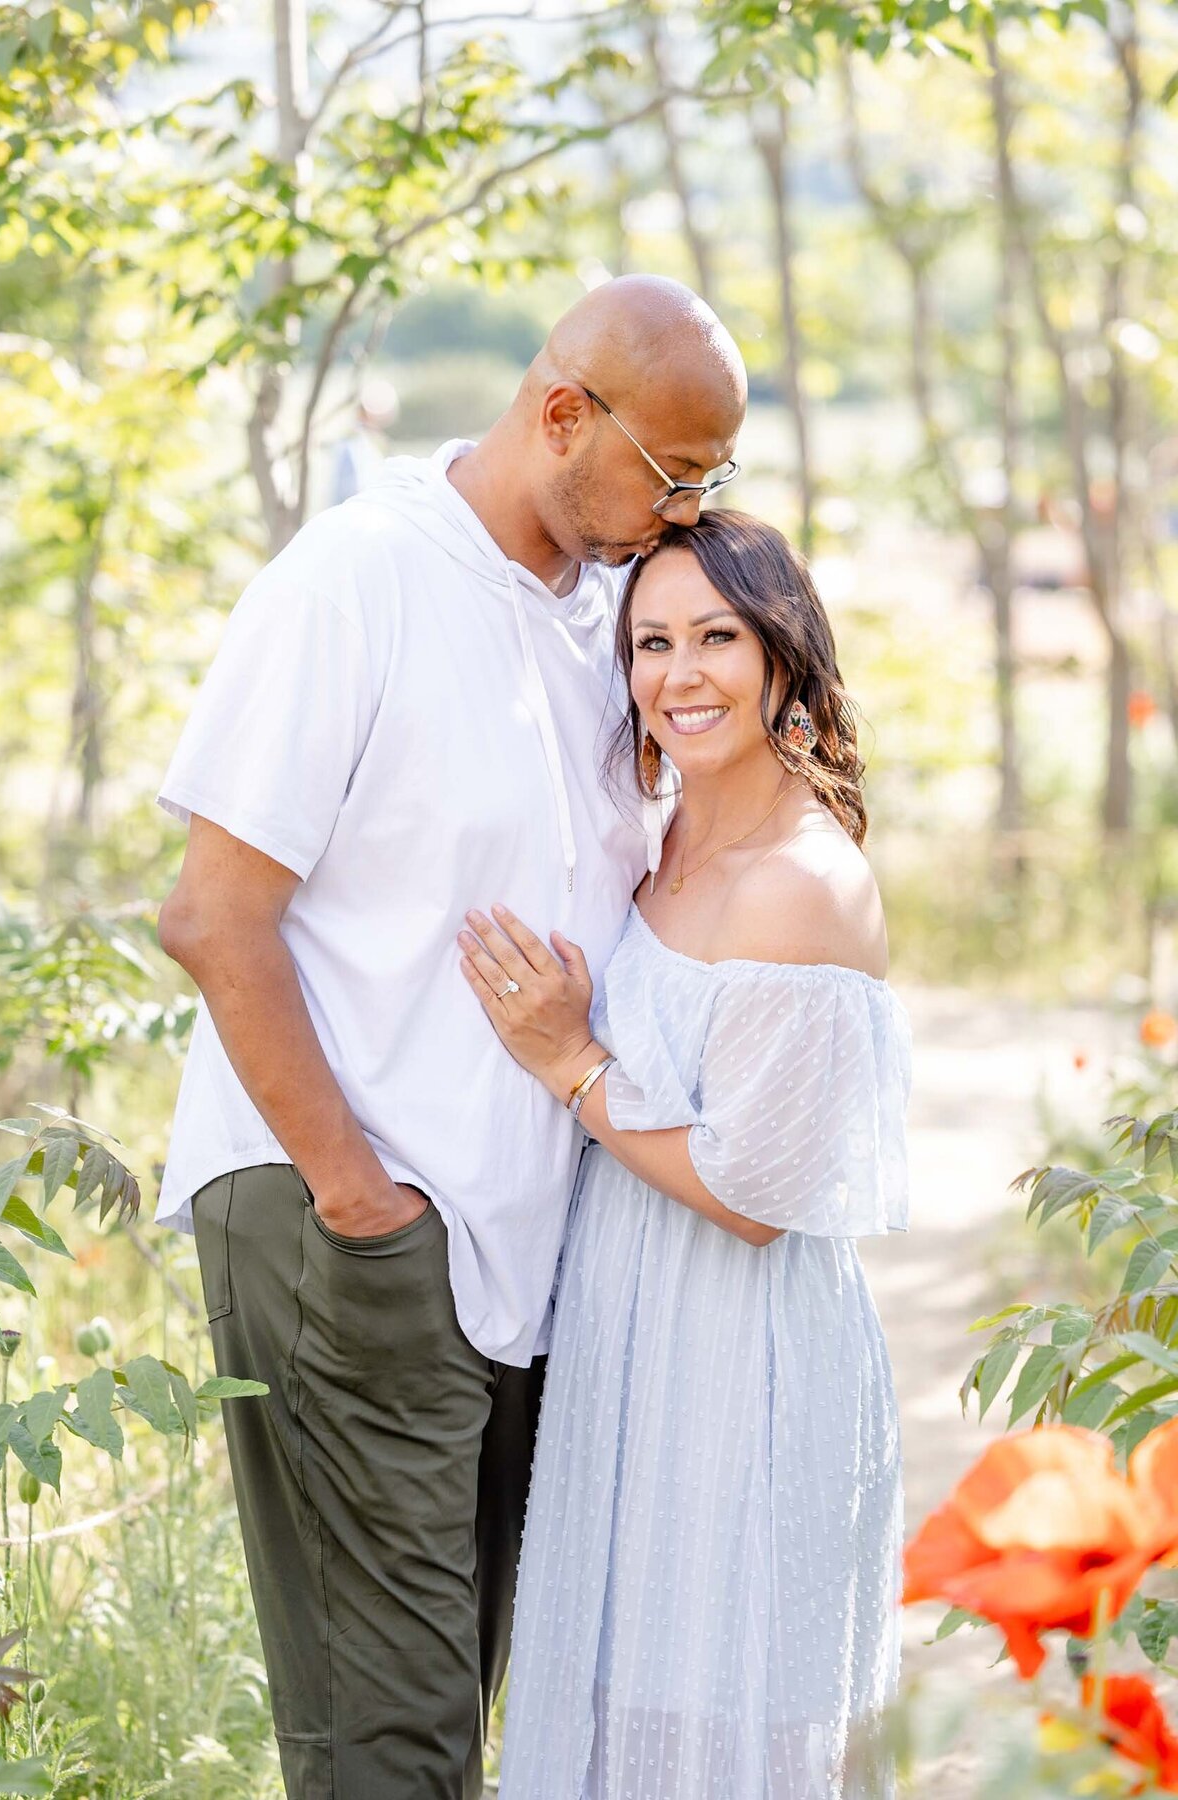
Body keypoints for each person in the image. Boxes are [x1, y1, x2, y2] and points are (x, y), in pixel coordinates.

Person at [154, 275, 747, 1800]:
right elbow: (215, 918)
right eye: (673, 476)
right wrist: (361, 1207)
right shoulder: (353, 580)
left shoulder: (595, 627)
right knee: (394, 1745)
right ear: (562, 413)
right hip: (348, 1217)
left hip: (522, 1257)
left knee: (472, 1706)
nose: (686, 513)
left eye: (713, 482)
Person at [458, 509, 911, 1800]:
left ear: (783, 656)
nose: (680, 674)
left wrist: (569, 1065)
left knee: (724, 1723)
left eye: (718, 635)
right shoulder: (662, 836)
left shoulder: (800, 883)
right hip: (633, 1336)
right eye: (652, 642)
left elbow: (757, 1195)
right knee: (623, 1709)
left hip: (744, 1354)